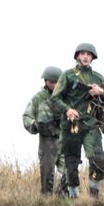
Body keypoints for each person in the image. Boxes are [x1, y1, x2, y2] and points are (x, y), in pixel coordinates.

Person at [50, 43, 104, 198]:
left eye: (88, 54)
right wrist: (67, 110)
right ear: (77, 56)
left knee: (98, 159)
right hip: (71, 125)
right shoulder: (68, 75)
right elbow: (55, 98)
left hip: (90, 124)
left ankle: (94, 194)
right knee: (71, 162)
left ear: (92, 58)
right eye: (82, 54)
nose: (85, 57)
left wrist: (101, 92)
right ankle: (73, 195)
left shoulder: (98, 77)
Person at [22, 66, 65, 195]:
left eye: (56, 82)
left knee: (69, 173)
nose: (53, 84)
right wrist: (35, 125)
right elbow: (26, 116)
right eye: (50, 82)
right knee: (47, 174)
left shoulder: (66, 97)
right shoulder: (38, 98)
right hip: (47, 141)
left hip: (65, 139)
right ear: (45, 81)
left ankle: (61, 198)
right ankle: (46, 203)